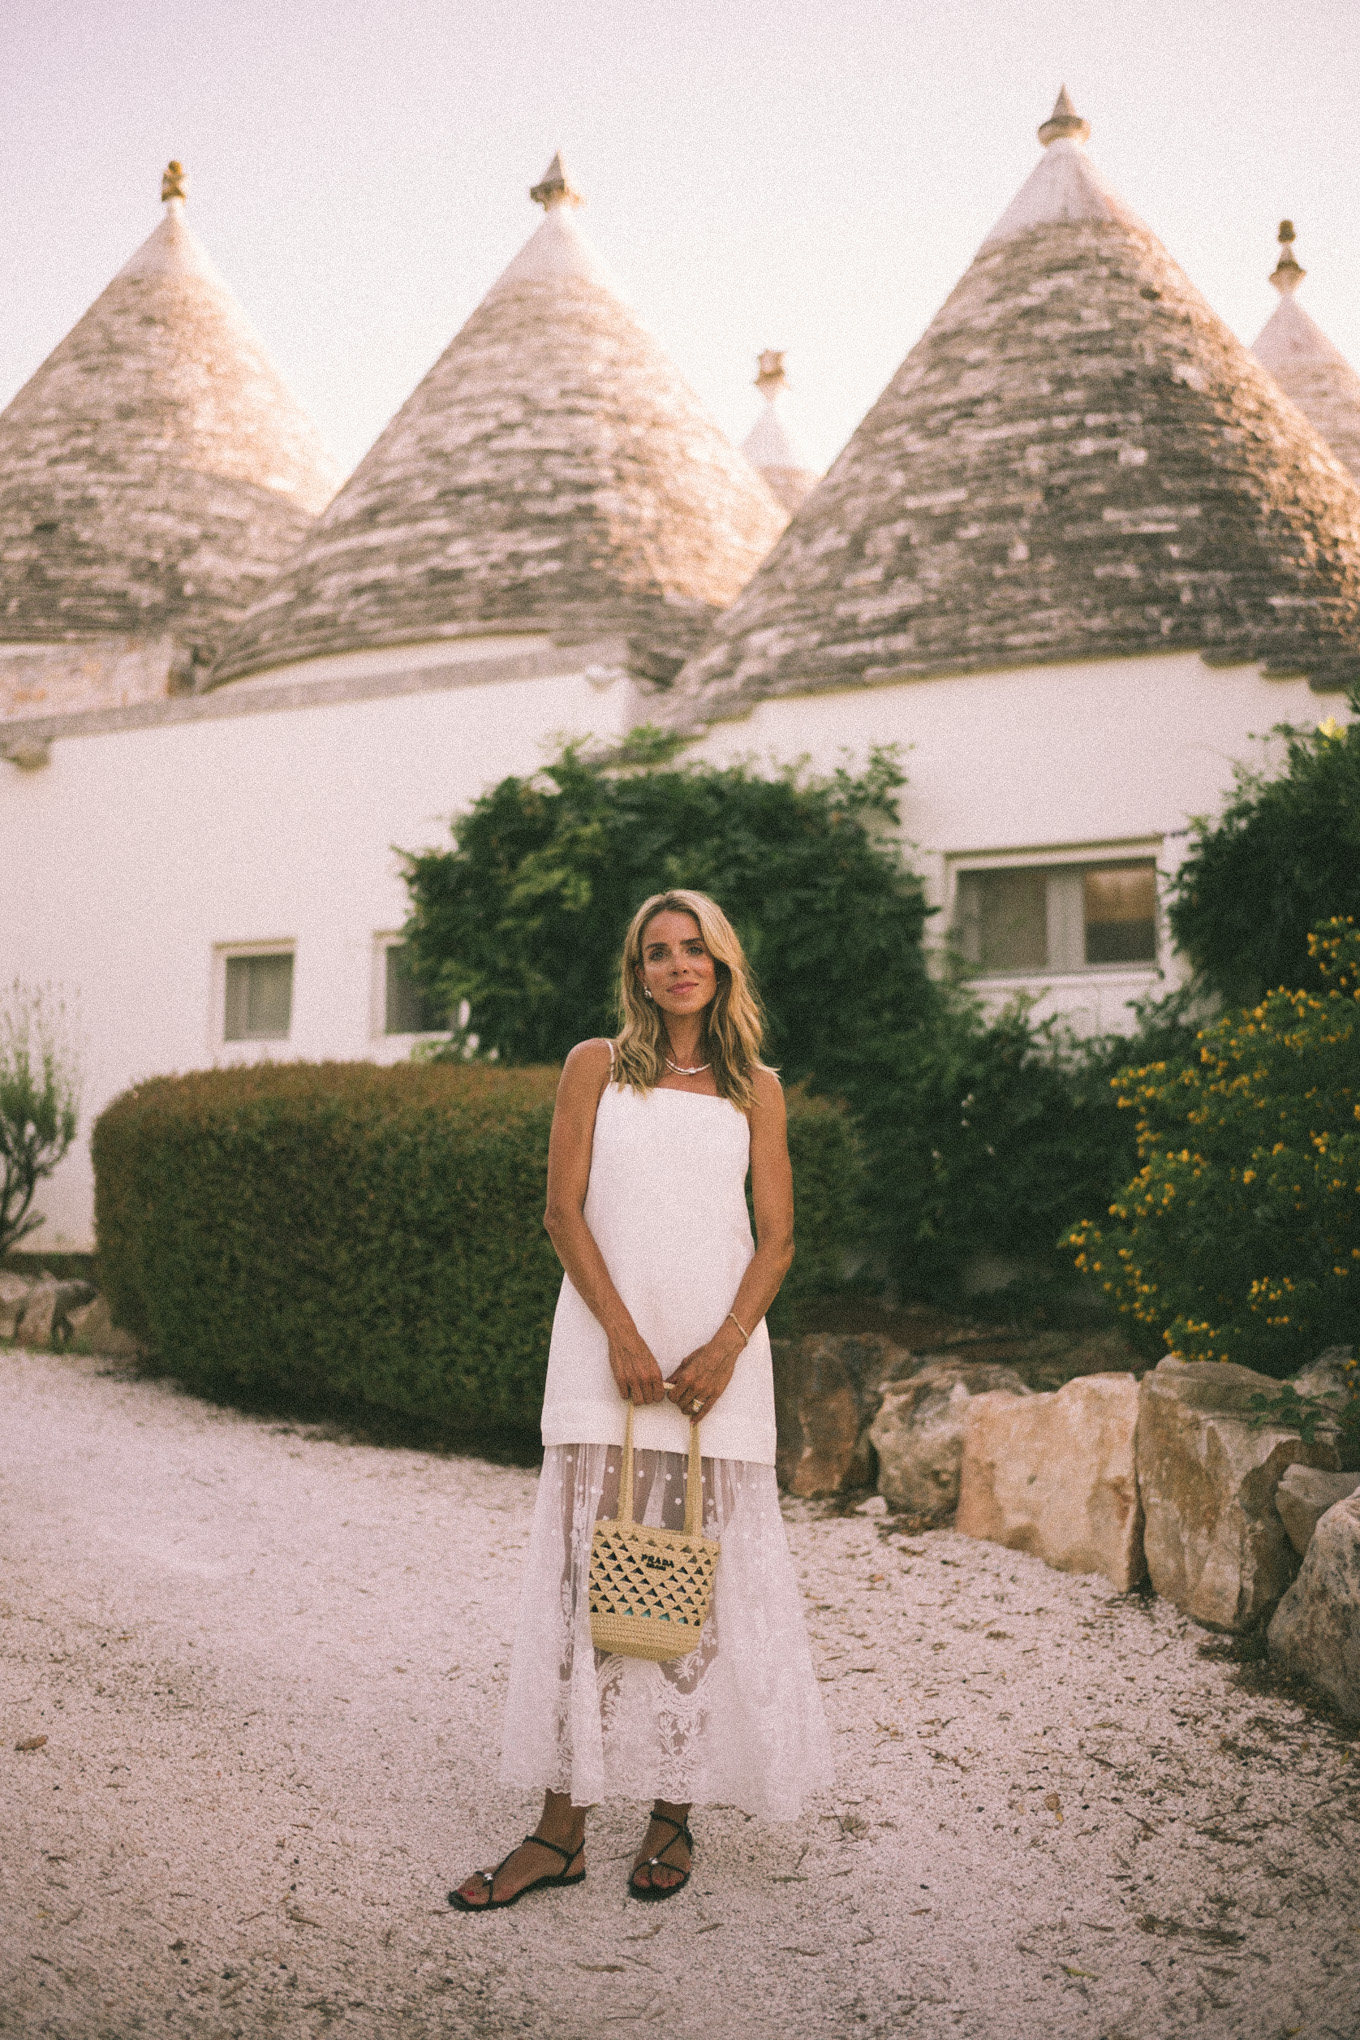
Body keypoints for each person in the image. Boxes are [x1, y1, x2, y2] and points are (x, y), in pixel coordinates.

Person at [450, 888, 832, 1910]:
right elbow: (560, 1211)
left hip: (716, 1369)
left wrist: (723, 1345)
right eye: (657, 951)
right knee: (589, 1584)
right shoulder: (594, 1069)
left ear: (722, 964)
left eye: (694, 948)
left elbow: (779, 1235)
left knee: (688, 1590)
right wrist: (621, 1333)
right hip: (602, 1356)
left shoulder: (758, 1086)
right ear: (637, 972)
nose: (677, 966)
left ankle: (673, 1811)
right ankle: (560, 1830)